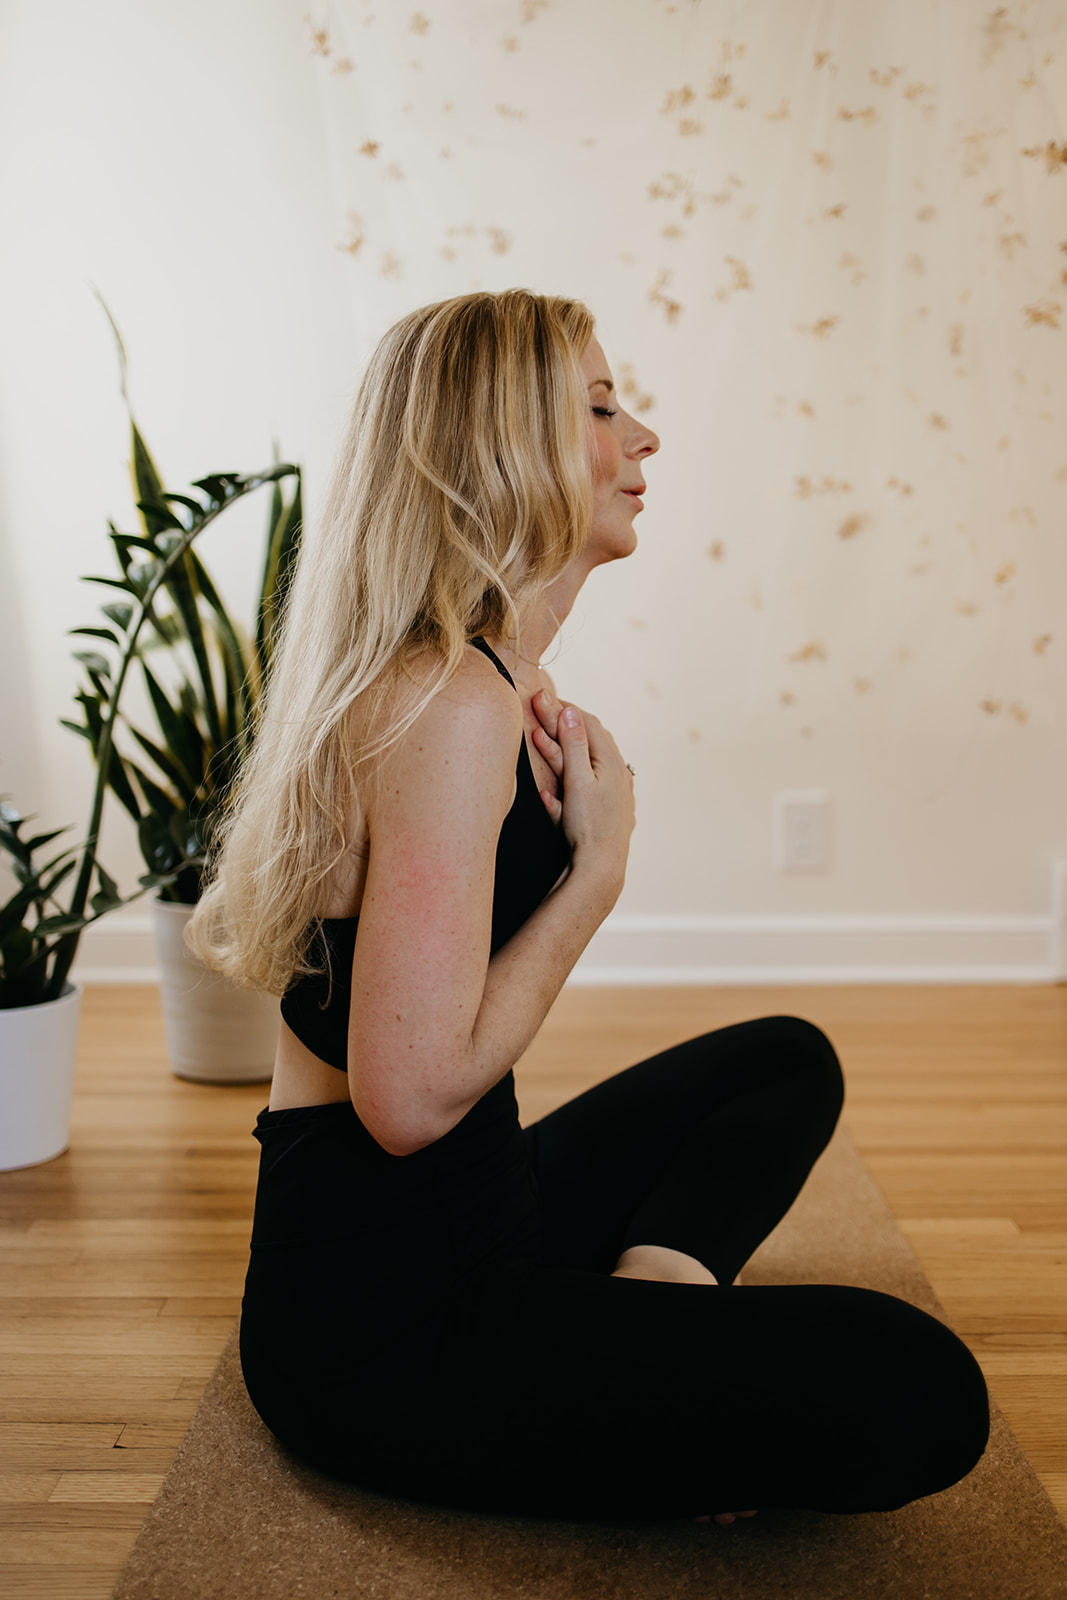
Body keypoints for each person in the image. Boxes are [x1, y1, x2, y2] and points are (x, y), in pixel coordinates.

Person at [188, 288, 989, 1522]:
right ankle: (630, 1399)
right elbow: (404, 1106)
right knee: (919, 1386)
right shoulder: (444, 705)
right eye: (603, 408)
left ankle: (644, 1313)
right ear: (497, 448)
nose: (643, 438)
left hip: (477, 1208)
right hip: (380, 1328)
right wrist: (593, 882)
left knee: (781, 1060)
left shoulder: (491, 675)